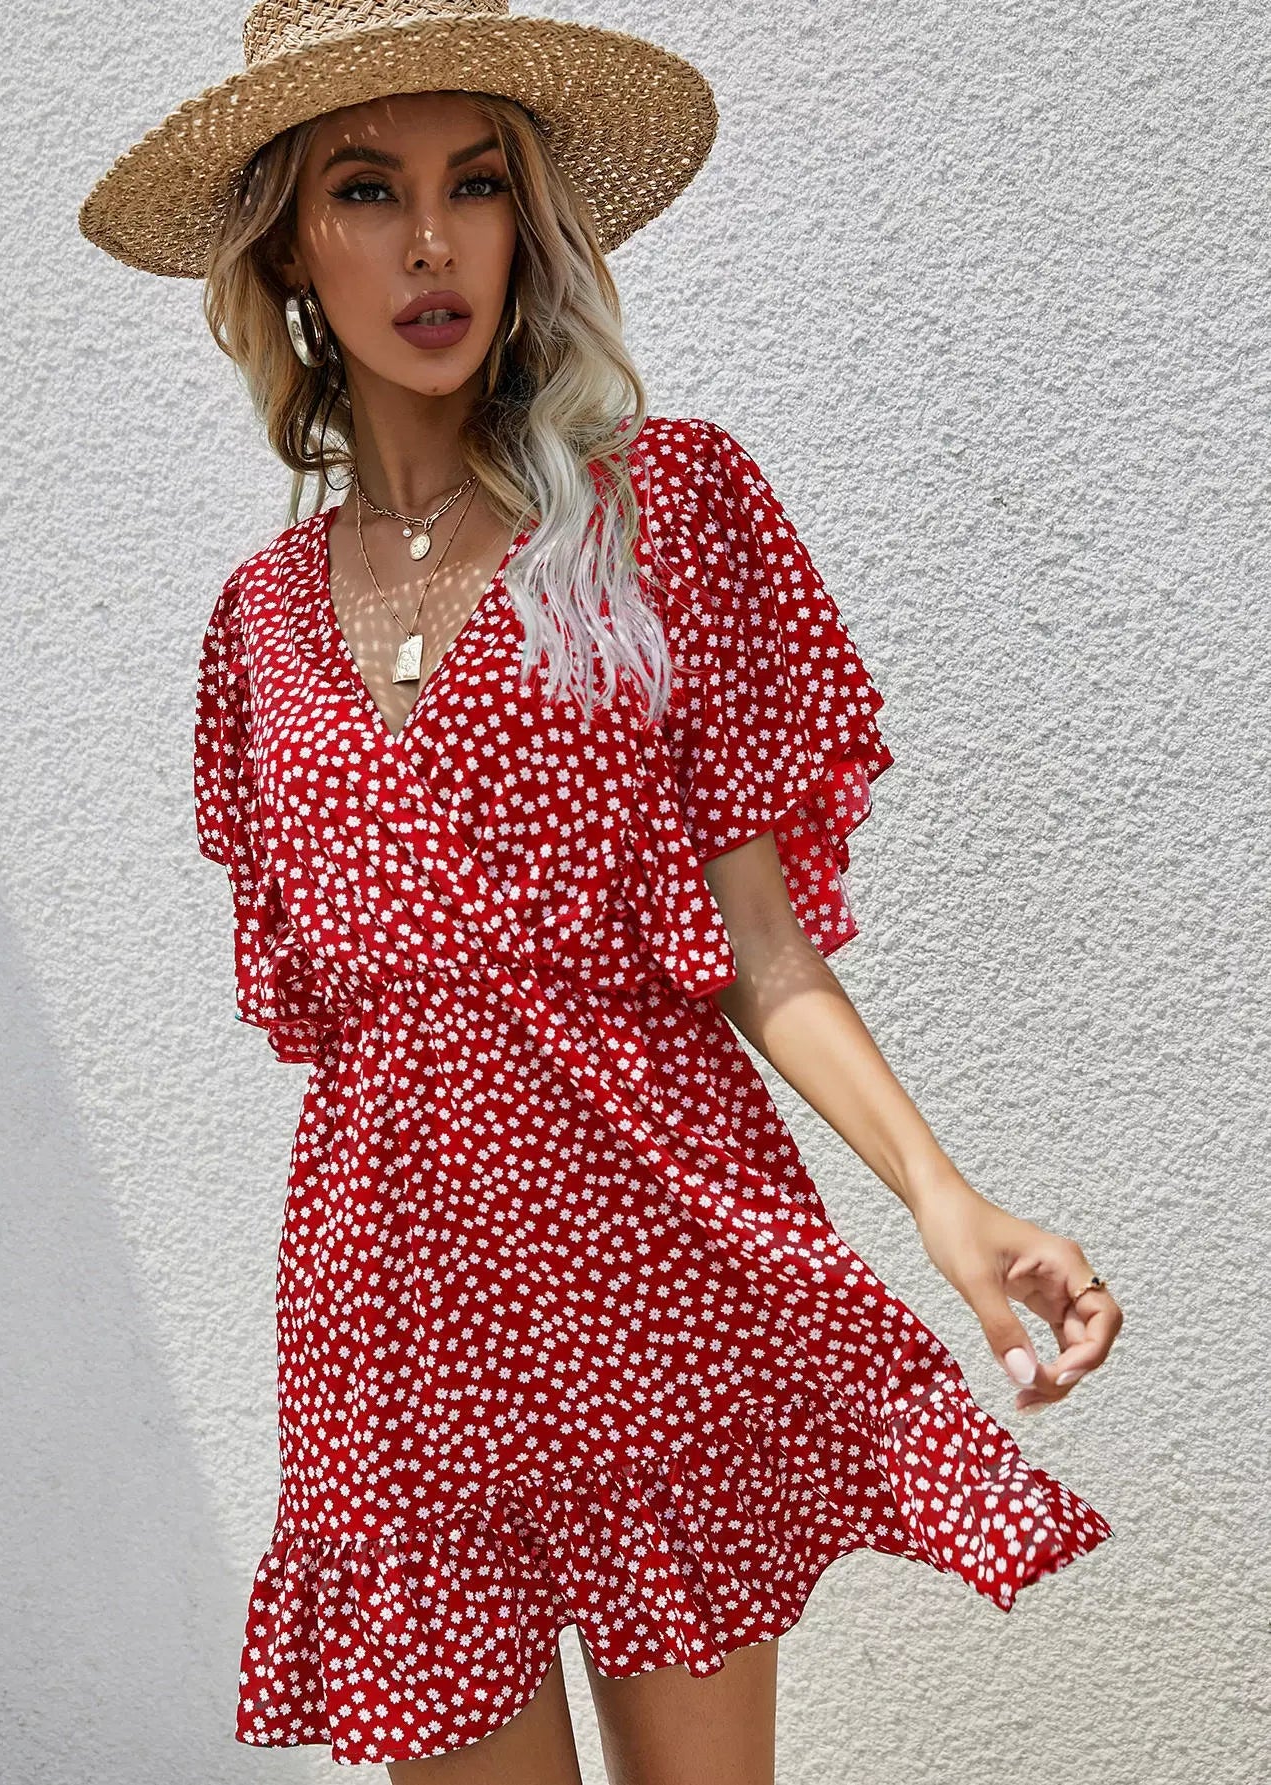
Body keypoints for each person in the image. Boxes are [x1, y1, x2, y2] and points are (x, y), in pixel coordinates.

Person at [77, 4, 1122, 1780]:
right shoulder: (257, 625)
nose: (431, 241)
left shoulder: (659, 513)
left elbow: (762, 947)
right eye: (367, 189)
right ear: (288, 249)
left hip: (651, 1258)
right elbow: (346, 1025)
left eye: (477, 183)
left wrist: (945, 1197)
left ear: (528, 223)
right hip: (393, 1310)